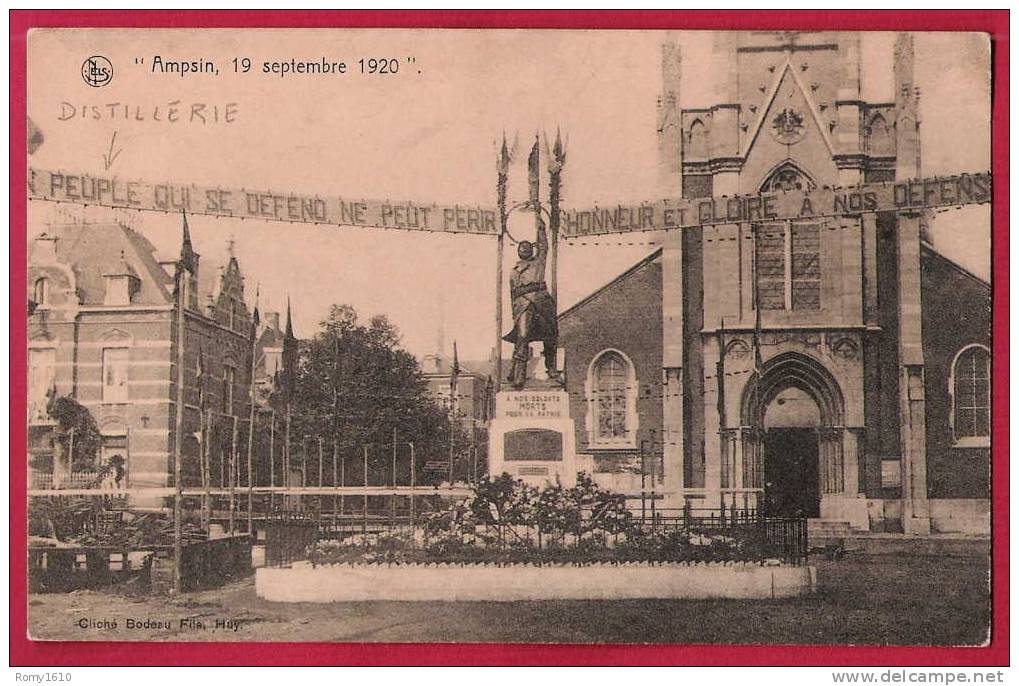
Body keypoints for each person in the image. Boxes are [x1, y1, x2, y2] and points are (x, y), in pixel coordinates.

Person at [503, 218, 561, 389]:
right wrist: (515, 313)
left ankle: (551, 368)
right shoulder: (514, 271)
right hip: (523, 305)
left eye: (528, 247)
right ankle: (519, 375)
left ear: (531, 250)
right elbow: (512, 295)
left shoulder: (539, 262)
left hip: (542, 301)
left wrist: (540, 224)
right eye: (522, 247)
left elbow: (544, 246)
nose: (524, 249)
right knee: (522, 337)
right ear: (518, 251)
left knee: (550, 335)